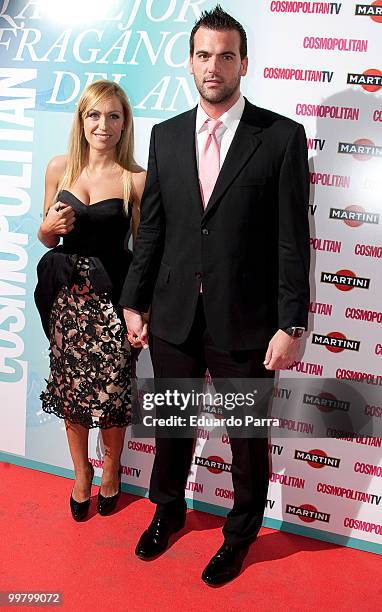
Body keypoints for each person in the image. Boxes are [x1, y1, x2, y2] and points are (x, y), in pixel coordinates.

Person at [121, 5, 310, 586]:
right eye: (203, 55)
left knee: (246, 441)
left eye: (225, 55)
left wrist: (291, 324)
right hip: (175, 313)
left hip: (248, 322)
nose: (213, 66)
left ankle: (240, 533)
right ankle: (167, 511)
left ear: (243, 63)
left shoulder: (280, 138)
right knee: (172, 425)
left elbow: (291, 240)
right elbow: (152, 226)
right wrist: (135, 299)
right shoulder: (166, 135)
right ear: (190, 62)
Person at [35, 80, 146, 521]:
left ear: (125, 123)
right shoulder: (58, 168)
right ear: (82, 120)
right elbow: (45, 236)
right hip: (66, 301)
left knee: (113, 395)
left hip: (111, 301)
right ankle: (81, 473)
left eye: (114, 115)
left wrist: (141, 307)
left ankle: (112, 468)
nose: (104, 124)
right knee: (71, 393)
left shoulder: (134, 178)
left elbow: (145, 248)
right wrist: (50, 226)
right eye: (95, 115)